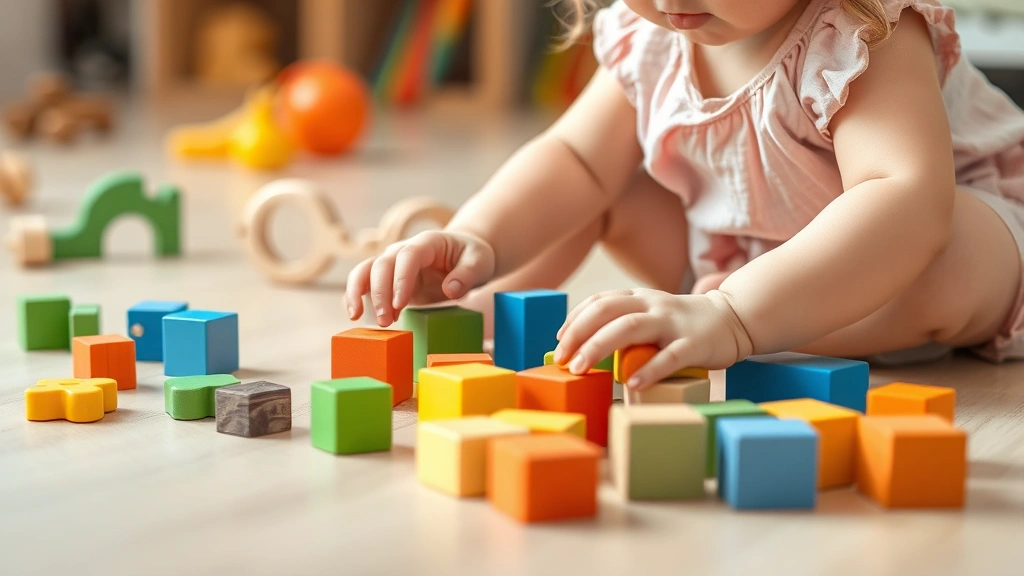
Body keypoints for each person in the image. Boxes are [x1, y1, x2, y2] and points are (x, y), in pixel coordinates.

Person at [346, 0, 1024, 389]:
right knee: (599, 186)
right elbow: (575, 159)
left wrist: (736, 314)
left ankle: (741, 323)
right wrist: (478, 238)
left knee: (948, 243)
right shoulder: (652, 35)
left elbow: (902, 198)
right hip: (726, 263)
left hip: (903, 271)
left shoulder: (861, 28)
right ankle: (474, 306)